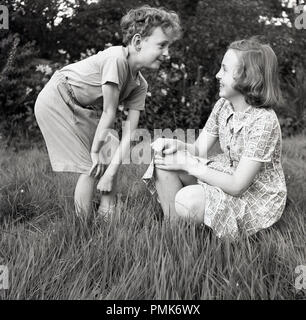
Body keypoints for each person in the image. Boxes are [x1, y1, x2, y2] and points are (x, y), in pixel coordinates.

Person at [34, 5, 181, 220]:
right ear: (138, 42)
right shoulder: (116, 59)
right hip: (57, 98)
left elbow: (130, 131)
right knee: (91, 165)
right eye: (162, 45)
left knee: (110, 148)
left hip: (82, 108)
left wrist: (111, 172)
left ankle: (106, 212)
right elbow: (109, 112)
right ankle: (82, 226)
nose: (167, 53)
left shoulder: (140, 84)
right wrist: (95, 152)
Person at [149, 38, 287, 240]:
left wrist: (189, 165)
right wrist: (178, 146)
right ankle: (175, 233)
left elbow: (238, 185)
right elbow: (198, 149)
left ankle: (197, 217)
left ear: (247, 77)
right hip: (227, 172)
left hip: (254, 195)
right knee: (164, 161)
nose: (217, 75)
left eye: (224, 69)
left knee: (187, 200)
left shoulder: (264, 121)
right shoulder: (224, 104)